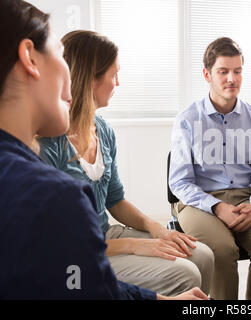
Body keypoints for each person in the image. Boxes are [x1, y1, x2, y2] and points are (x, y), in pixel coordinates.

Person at [0, 0, 207, 300]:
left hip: (101, 240)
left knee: (199, 255)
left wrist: (154, 229)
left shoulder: (101, 132)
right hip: (99, 245)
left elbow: (73, 278)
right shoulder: (55, 196)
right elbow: (80, 284)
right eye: (59, 54)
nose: (68, 72)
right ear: (30, 58)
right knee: (187, 272)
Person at [169, 37, 251, 300]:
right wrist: (217, 207)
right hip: (199, 202)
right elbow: (179, 182)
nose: (231, 78)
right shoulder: (187, 120)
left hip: (247, 199)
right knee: (220, 250)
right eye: (223, 71)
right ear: (207, 74)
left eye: (237, 71)